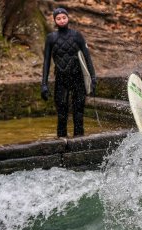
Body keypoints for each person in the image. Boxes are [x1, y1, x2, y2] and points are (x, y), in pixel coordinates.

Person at [41, 8, 96, 137]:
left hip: (78, 78)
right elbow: (46, 62)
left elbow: (88, 58)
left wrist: (93, 78)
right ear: (54, 20)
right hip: (60, 79)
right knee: (61, 112)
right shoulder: (51, 38)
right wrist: (44, 84)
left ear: (68, 18)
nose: (61, 20)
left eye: (64, 18)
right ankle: (62, 140)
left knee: (78, 111)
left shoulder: (77, 36)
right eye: (58, 18)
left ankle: (79, 139)